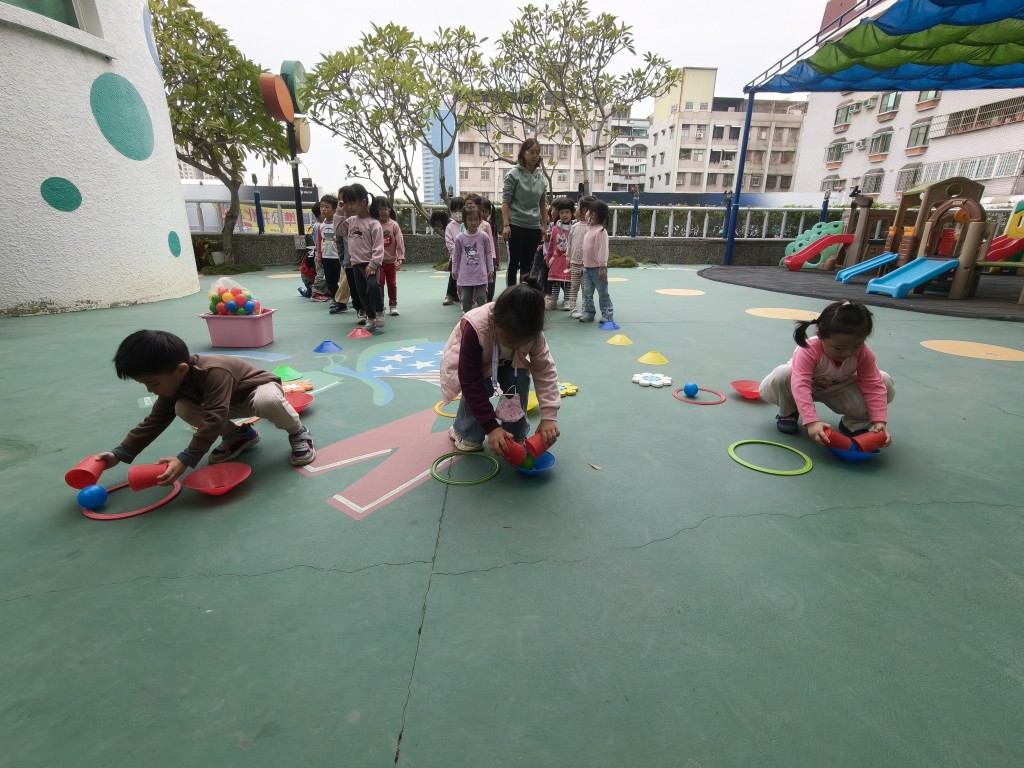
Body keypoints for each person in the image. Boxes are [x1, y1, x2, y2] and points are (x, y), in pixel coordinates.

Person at [94, 330, 316, 484]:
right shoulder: (174, 383)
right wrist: (120, 453)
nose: (150, 390)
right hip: (225, 404)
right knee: (183, 408)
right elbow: (155, 420)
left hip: (255, 391)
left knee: (267, 400)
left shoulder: (213, 371)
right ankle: (239, 436)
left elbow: (215, 415)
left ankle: (298, 433)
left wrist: (186, 458)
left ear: (181, 370)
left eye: (153, 383)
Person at [440, 277, 560, 455]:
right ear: (494, 321)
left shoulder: (534, 334)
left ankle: (515, 432)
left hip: (510, 363)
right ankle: (464, 431)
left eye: (520, 341)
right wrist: (491, 427)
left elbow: (545, 372)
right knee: (482, 387)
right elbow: (470, 381)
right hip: (476, 366)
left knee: (519, 381)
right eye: (508, 339)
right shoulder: (476, 328)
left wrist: (549, 417)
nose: (513, 344)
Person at [759, 300, 895, 444]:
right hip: (802, 388)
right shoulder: (808, 349)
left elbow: (873, 386)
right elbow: (800, 385)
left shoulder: (864, 353)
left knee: (883, 381)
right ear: (820, 334)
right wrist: (812, 422)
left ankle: (855, 424)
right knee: (784, 373)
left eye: (856, 346)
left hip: (837, 389)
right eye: (839, 348)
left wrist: (880, 422)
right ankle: (789, 412)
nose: (847, 353)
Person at [501, 138, 549, 286]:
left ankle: (524, 294)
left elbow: (542, 204)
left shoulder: (541, 179)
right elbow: (506, 201)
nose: (534, 156)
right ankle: (511, 293)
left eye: (537, 153)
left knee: (528, 264)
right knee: (513, 263)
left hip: (533, 227)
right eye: (531, 152)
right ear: (523, 153)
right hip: (515, 225)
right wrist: (506, 225)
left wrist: (544, 226)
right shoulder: (513, 174)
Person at [339, 184, 385, 330]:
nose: (349, 207)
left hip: (370, 264)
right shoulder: (350, 221)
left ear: (363, 202)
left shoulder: (374, 223)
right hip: (356, 263)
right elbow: (339, 230)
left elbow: (379, 246)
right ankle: (370, 317)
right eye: (347, 203)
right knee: (361, 293)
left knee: (373, 287)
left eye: (352, 203)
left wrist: (373, 264)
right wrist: (340, 211)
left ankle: (379, 312)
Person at [452, 204, 494, 313]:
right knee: (466, 298)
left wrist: (491, 268)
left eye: (476, 219)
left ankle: (481, 317)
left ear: (480, 220)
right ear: (465, 221)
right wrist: (454, 270)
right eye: (470, 220)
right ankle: (467, 317)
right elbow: (456, 256)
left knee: (481, 297)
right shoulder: (460, 238)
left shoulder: (483, 236)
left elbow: (488, 253)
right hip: (466, 275)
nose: (474, 222)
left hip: (480, 274)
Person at [579, 199, 614, 323]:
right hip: (587, 268)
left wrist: (602, 266)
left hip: (598, 269)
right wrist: (583, 264)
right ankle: (589, 312)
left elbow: (603, 250)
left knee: (602, 292)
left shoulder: (601, 231)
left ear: (593, 215)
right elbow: (586, 250)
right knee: (587, 292)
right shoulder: (589, 230)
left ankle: (607, 314)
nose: (586, 213)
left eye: (588, 211)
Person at [371, 196, 404, 316]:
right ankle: (380, 306)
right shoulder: (373, 224)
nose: (383, 212)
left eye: (385, 209)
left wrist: (400, 257)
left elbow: (399, 242)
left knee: (392, 284)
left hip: (391, 261)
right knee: (379, 283)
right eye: (380, 209)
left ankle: (393, 305)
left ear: (390, 210)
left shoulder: (394, 225)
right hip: (378, 262)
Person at [544, 197, 574, 310]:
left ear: (572, 213)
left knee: (568, 282)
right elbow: (551, 245)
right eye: (562, 212)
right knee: (555, 281)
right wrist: (548, 258)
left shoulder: (574, 228)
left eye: (567, 212)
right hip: (556, 260)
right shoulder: (555, 228)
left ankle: (567, 301)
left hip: (569, 260)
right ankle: (553, 300)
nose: (564, 215)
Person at [567, 195, 594, 317]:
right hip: (574, 262)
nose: (575, 209)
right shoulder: (575, 226)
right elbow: (570, 243)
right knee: (574, 286)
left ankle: (585, 309)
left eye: (577, 207)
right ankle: (573, 308)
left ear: (584, 210)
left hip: (586, 264)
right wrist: (568, 258)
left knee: (585, 288)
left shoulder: (591, 227)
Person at [330, 185, 351, 314]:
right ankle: (341, 302)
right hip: (347, 258)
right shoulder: (339, 217)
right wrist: (342, 257)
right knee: (345, 277)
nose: (341, 202)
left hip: (363, 257)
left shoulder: (362, 217)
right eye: (339, 199)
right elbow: (338, 238)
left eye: (345, 199)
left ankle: (374, 304)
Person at [442, 196, 464, 306]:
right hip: (455, 256)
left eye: (460, 210)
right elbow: (449, 242)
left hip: (469, 256)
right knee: (453, 275)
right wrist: (458, 252)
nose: (458, 213)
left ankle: (463, 295)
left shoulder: (469, 223)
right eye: (455, 211)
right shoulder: (450, 226)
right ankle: (449, 295)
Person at [479, 198, 502, 301]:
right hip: (480, 258)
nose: (483, 214)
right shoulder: (475, 224)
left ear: (489, 212)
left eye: (486, 211)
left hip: (490, 257)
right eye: (481, 211)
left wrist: (496, 259)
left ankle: (489, 299)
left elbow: (495, 243)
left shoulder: (491, 225)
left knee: (491, 278)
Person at [298, 202, 319, 298]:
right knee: (311, 292)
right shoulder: (312, 252)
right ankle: (304, 290)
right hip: (308, 276)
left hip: (315, 274)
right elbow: (309, 268)